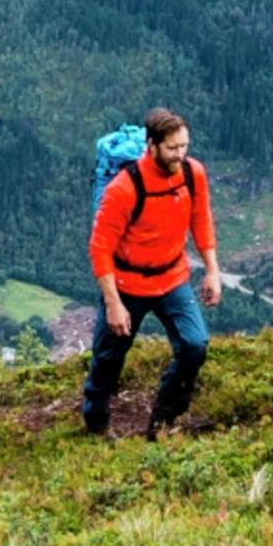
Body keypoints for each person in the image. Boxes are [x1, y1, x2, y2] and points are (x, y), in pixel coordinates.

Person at [81, 107, 219, 438]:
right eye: (173, 148)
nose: (180, 154)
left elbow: (201, 221)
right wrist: (113, 302)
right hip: (128, 284)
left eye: (184, 146)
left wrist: (212, 271)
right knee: (108, 358)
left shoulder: (192, 174)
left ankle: (164, 419)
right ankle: (96, 422)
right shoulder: (124, 189)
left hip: (172, 278)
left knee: (194, 346)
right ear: (152, 145)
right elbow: (100, 248)